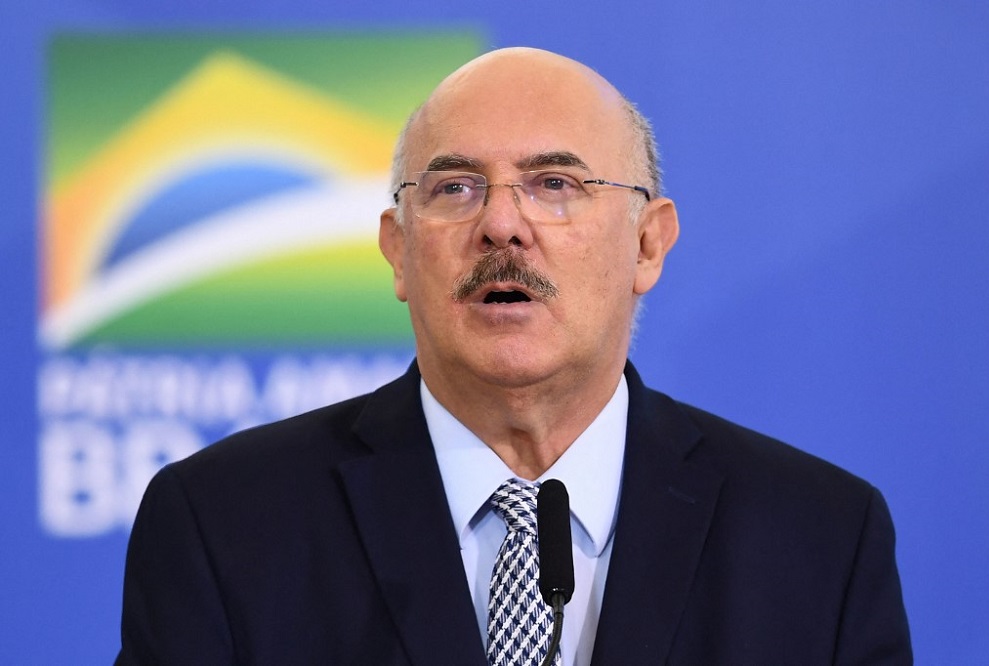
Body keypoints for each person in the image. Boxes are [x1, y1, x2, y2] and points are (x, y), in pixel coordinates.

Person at [116, 47, 911, 665]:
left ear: (647, 242)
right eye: (456, 187)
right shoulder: (224, 525)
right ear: (397, 252)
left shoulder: (819, 538)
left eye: (555, 183)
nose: (502, 225)